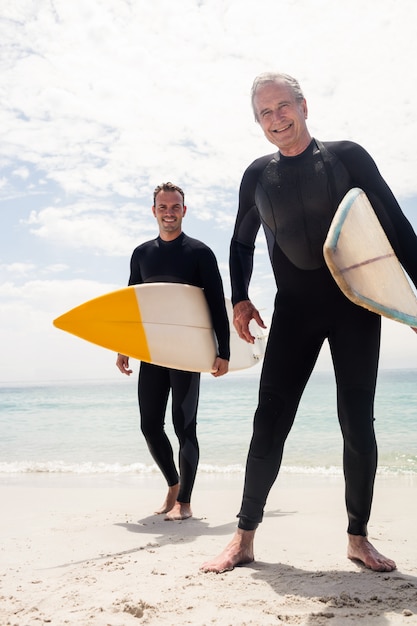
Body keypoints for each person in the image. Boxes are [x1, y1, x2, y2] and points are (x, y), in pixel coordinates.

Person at [201, 72, 417, 573]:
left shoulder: (347, 157)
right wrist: (239, 297)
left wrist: (411, 297)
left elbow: (395, 224)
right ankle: (243, 537)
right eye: (265, 113)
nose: (277, 119)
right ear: (258, 122)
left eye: (283, 107)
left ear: (303, 104)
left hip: (355, 306)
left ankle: (357, 538)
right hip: (294, 310)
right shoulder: (257, 175)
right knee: (269, 421)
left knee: (357, 423)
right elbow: (239, 243)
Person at [117, 182, 230, 521]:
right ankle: (173, 484)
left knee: (185, 427)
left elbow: (215, 305)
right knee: (149, 425)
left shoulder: (199, 253)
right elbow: (132, 304)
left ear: (185, 209)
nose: (169, 212)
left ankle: (186, 502)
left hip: (185, 354)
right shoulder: (141, 254)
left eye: (175, 206)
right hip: (151, 352)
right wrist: (123, 346)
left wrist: (222, 350)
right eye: (163, 207)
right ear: (154, 211)